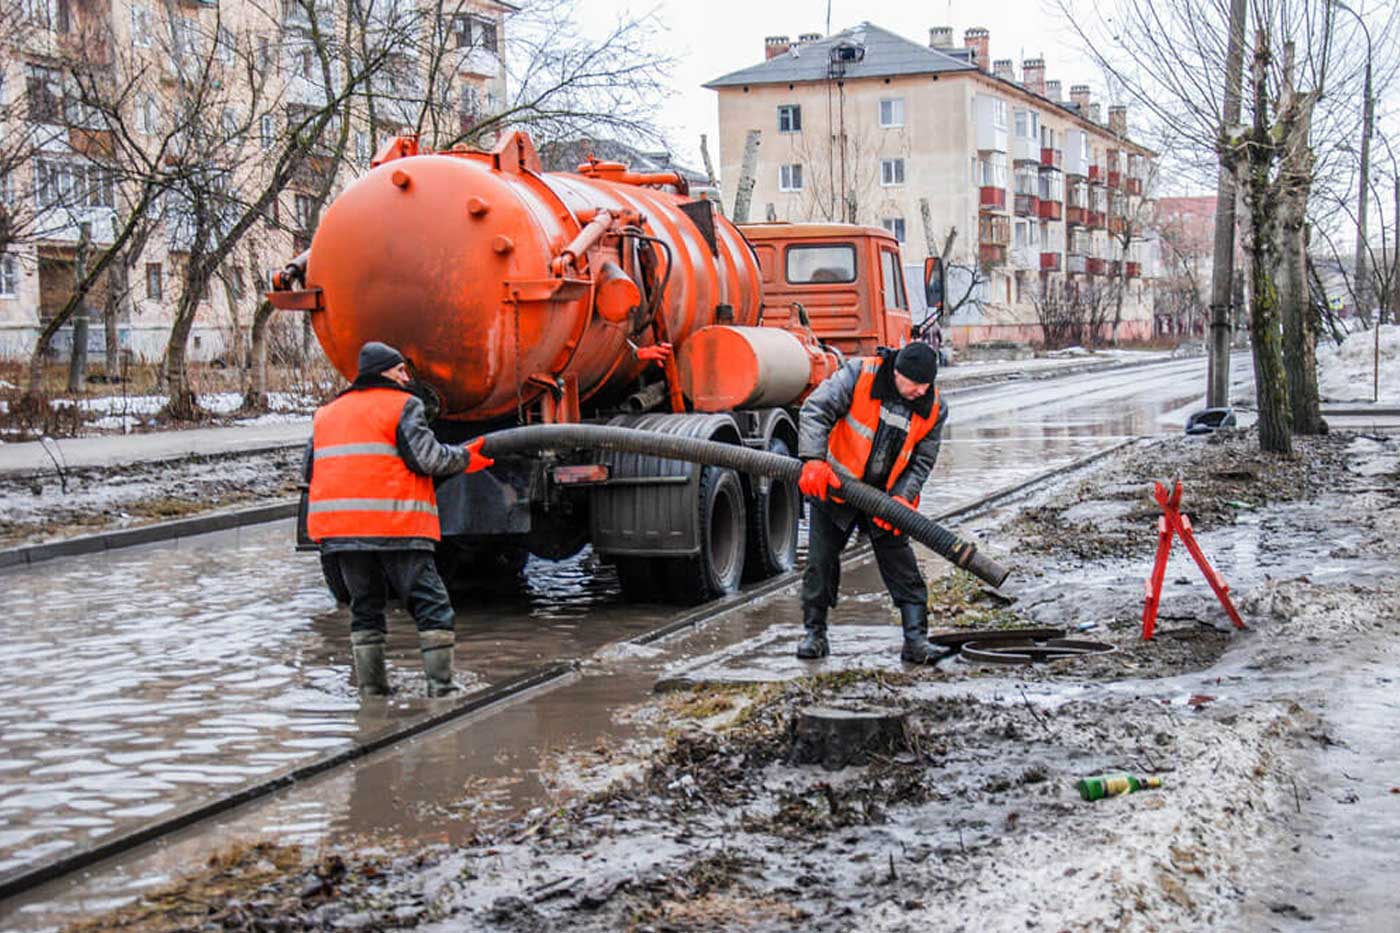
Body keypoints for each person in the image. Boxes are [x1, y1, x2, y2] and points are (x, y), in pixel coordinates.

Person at [305, 341, 494, 698]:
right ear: (385, 372)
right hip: (395, 526)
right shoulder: (403, 405)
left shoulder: (326, 413)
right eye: (401, 370)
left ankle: (372, 692)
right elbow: (429, 459)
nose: (407, 377)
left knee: (365, 607)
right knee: (431, 604)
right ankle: (442, 689)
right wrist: (465, 458)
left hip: (342, 533)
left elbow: (316, 470)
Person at [795, 341, 950, 663]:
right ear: (896, 373)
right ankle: (814, 634)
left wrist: (903, 498)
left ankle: (916, 640)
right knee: (820, 561)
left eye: (926, 385)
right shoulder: (859, 375)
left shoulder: (934, 407)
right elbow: (815, 410)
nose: (920, 391)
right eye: (914, 384)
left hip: (884, 499)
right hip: (837, 485)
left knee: (901, 564)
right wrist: (812, 459)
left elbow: (921, 461)